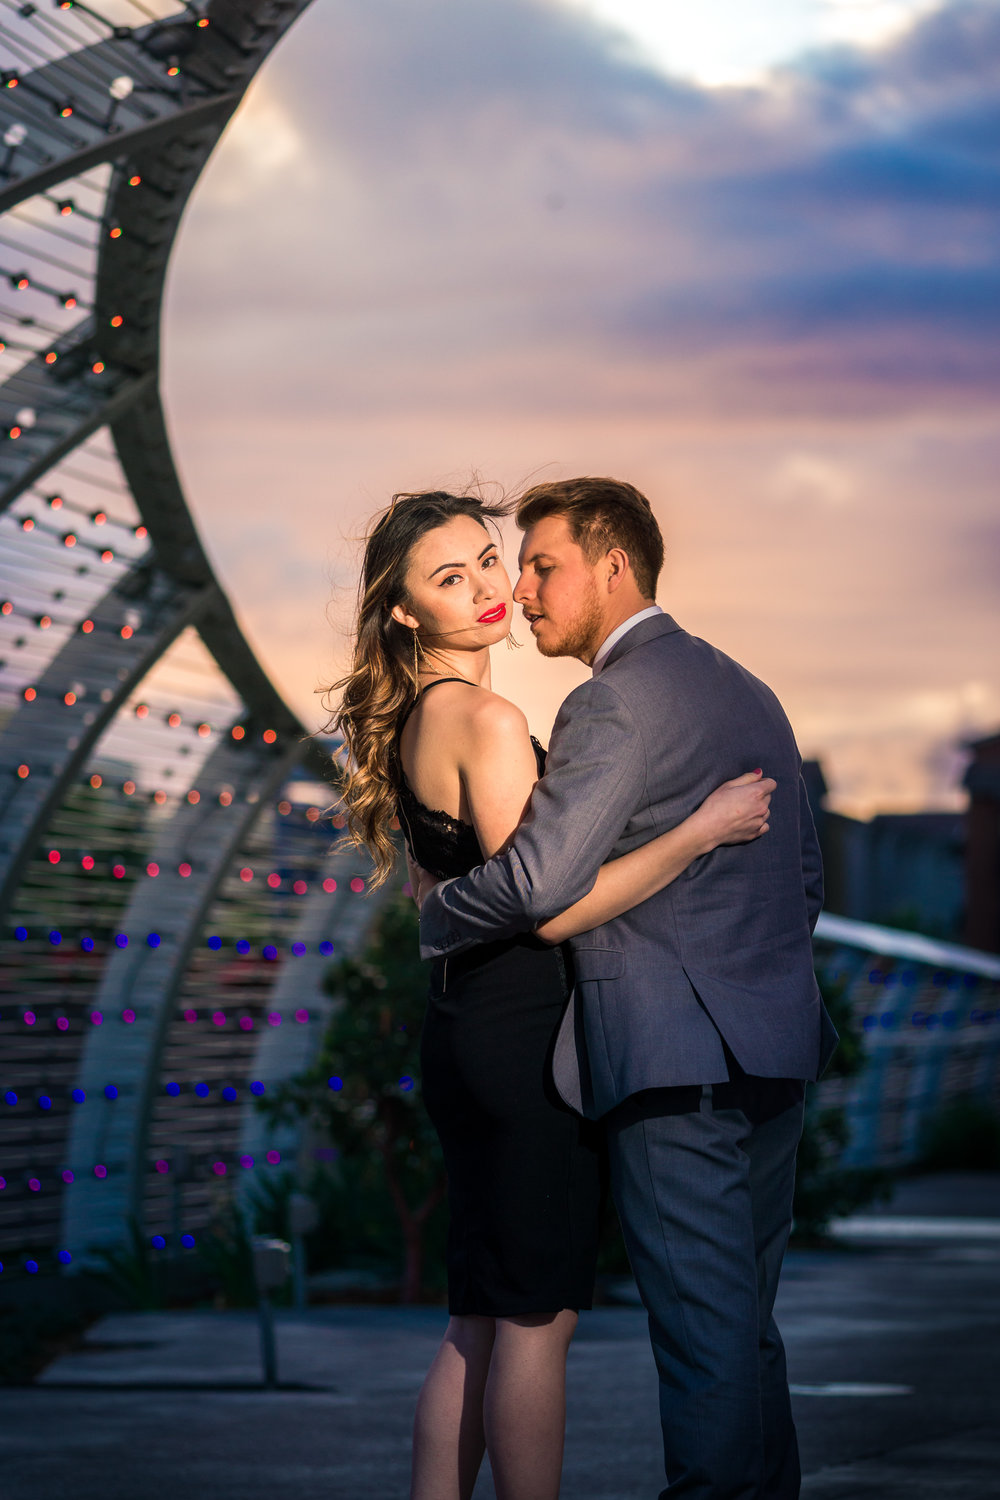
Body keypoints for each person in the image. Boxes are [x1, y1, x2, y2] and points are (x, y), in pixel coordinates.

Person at [331, 488, 777, 1500]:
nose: (493, 590)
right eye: (451, 579)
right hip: (526, 1041)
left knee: (479, 1317)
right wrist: (698, 831)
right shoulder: (485, 719)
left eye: (489, 561)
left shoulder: (419, 719)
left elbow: (431, 888)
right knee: (536, 1318)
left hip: (466, 1030)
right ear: (403, 612)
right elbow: (550, 906)